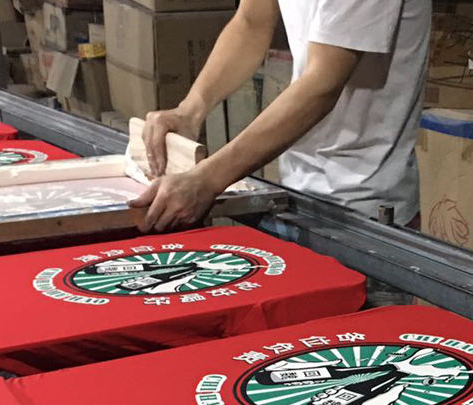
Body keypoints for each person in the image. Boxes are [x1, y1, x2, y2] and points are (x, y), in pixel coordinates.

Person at [132, 0, 430, 232]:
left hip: (362, 206)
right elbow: (251, 24)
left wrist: (208, 179)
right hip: (295, 189)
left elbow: (323, 84)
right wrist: (189, 111)